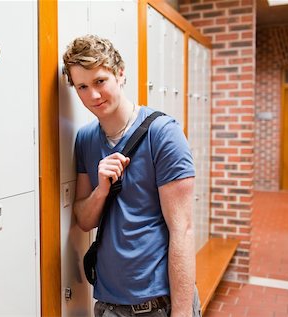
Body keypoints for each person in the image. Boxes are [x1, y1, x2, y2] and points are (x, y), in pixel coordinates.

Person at [62, 34, 201, 317]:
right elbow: (85, 220)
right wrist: (101, 190)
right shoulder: (86, 138)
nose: (94, 96)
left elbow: (183, 230)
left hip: (157, 305)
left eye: (100, 81)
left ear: (120, 74)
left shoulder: (163, 133)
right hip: (107, 304)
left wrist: (183, 312)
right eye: (82, 87)